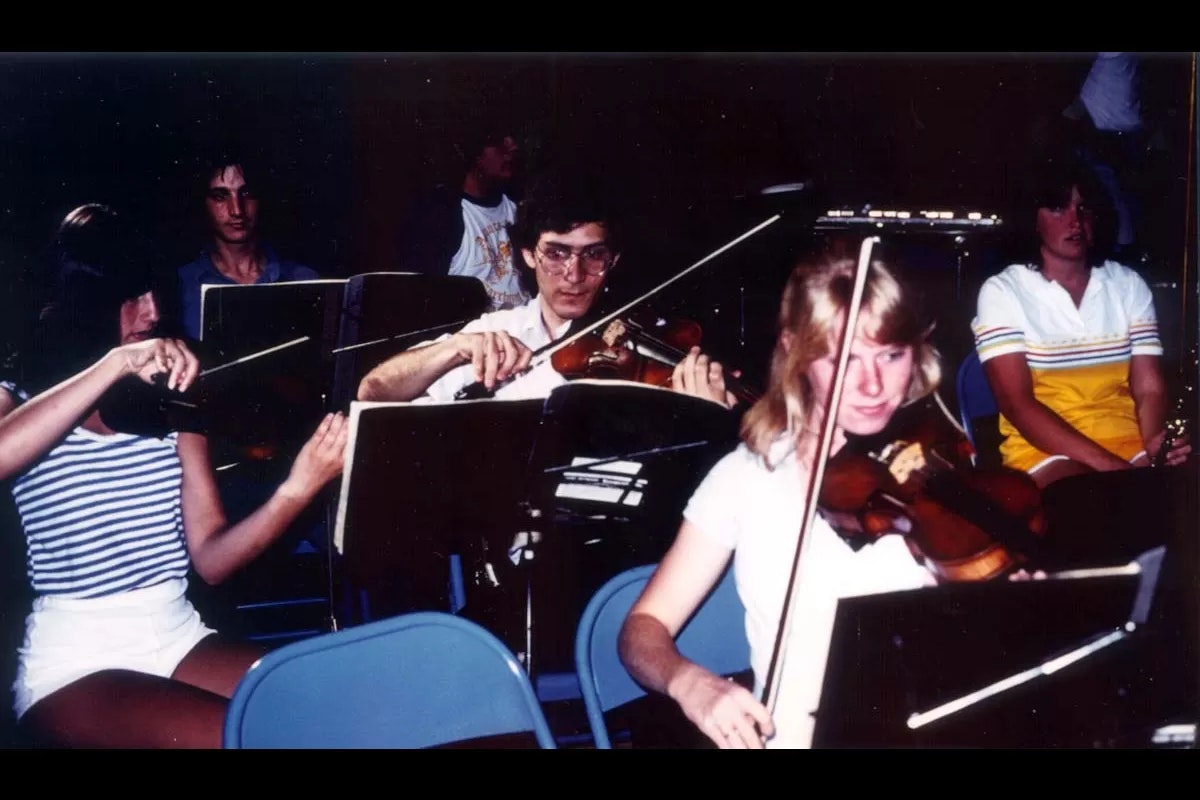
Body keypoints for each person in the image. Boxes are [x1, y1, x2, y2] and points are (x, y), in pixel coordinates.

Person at [0, 204, 347, 748]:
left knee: (331, 709)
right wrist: (115, 363)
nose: (152, 311)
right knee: (241, 739)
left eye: (155, 291)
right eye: (132, 297)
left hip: (179, 634)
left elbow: (210, 559)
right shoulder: (19, 393)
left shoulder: (175, 395)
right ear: (88, 303)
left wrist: (297, 487)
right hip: (76, 660)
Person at [617, 237, 943, 749]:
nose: (875, 385)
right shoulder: (747, 477)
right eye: (845, 360)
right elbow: (642, 629)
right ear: (796, 352)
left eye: (892, 355)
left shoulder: (933, 466)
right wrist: (691, 683)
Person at [359, 170, 736, 408]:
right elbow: (373, 389)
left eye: (594, 254)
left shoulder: (648, 345)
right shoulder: (498, 331)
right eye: (556, 253)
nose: (574, 274)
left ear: (614, 260)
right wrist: (453, 349)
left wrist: (703, 412)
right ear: (528, 254)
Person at [971, 157, 1190, 490]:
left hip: (1128, 446)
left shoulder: (1128, 285)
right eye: (1058, 209)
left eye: (1084, 208)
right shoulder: (1003, 291)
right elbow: (1018, 405)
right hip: (1045, 454)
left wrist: (1154, 443)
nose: (1075, 221)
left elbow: (1149, 388)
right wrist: (1113, 468)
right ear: (1032, 218)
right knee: (1091, 501)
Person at [176, 150, 319, 341]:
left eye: (246, 193)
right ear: (203, 203)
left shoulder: (304, 279)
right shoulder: (182, 285)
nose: (237, 210)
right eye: (220, 196)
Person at [396, 124, 529, 312]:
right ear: (474, 153)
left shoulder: (517, 207)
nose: (511, 150)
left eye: (512, 142)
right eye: (499, 144)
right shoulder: (440, 215)